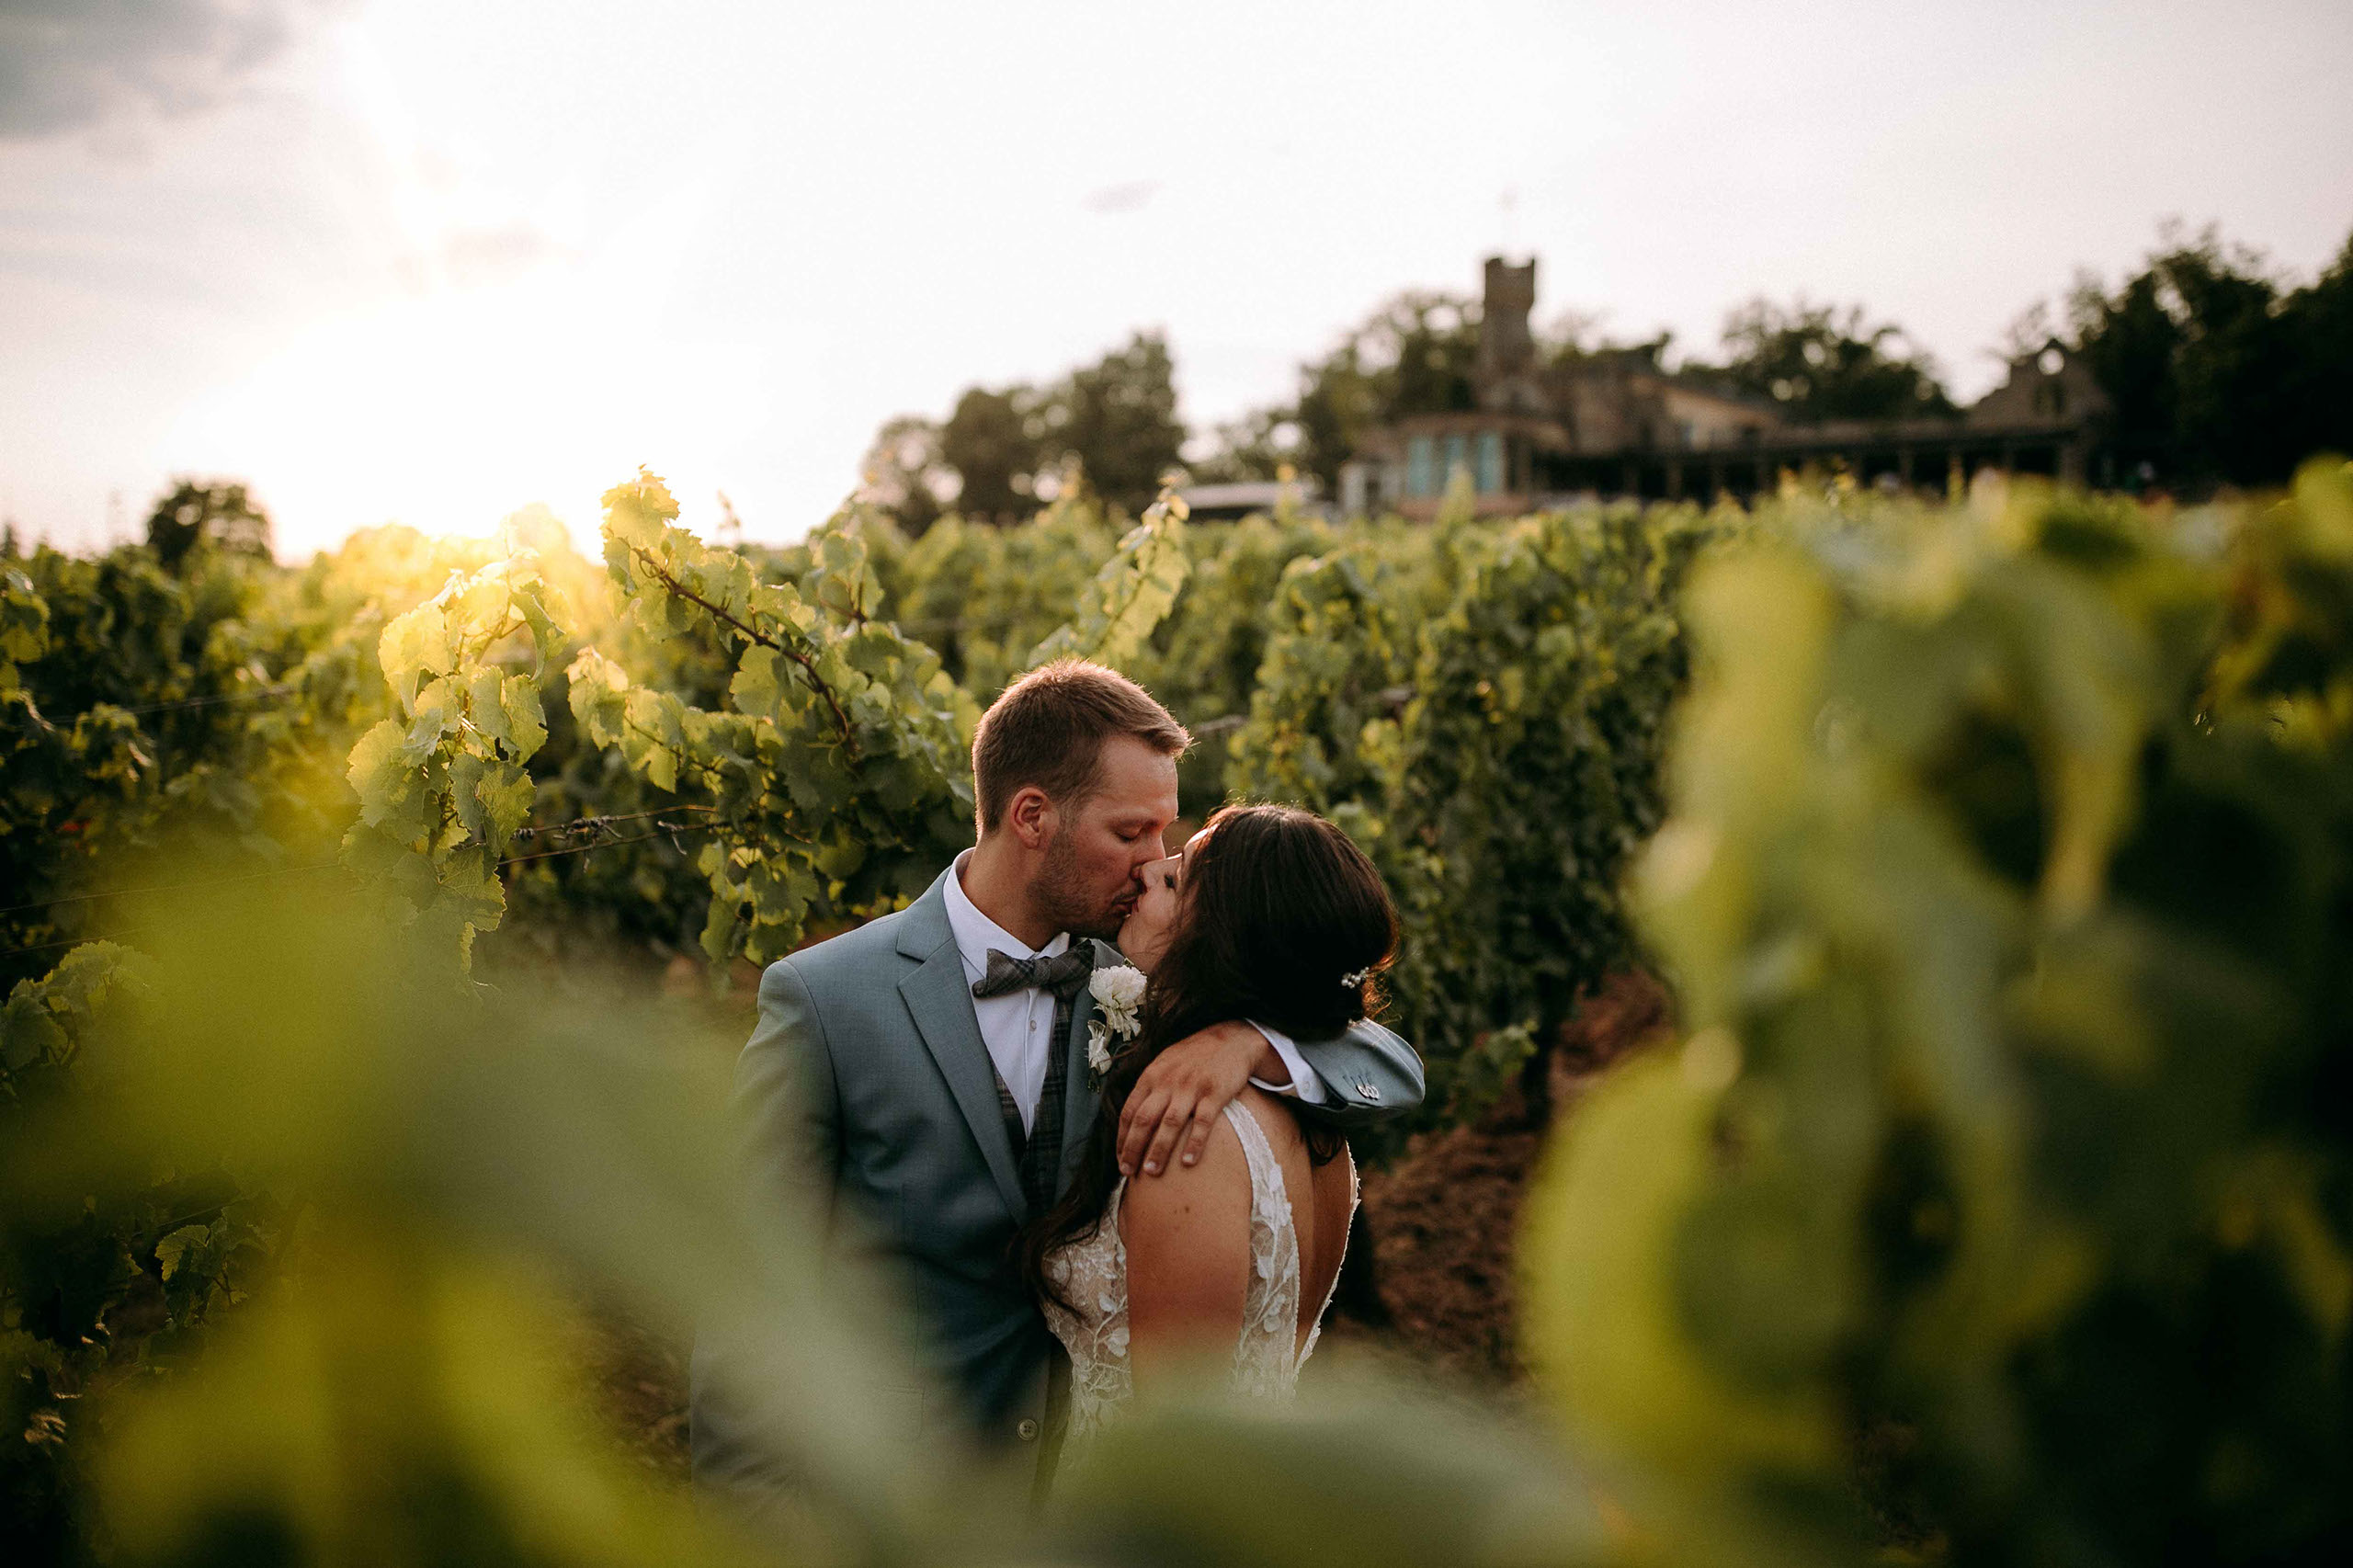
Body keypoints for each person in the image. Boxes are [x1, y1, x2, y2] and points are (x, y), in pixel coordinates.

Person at [689, 660, 1423, 1502]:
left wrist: (1247, 1047)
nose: (1155, 864)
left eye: (1166, 834)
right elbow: (740, 1282)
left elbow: (1378, 1056)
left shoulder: (1167, 972)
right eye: (1130, 834)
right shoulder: (826, 1000)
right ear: (1032, 815)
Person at [1027, 802, 1394, 1443]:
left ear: (1223, 943)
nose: (1148, 869)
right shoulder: (1319, 1127)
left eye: (1175, 879)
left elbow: (1174, 1443)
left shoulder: (1189, 1136)